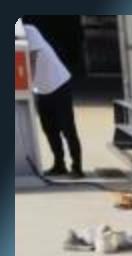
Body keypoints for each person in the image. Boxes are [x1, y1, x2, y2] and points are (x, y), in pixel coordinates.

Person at [16, 19, 83, 178]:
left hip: (59, 84)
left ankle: (77, 167)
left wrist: (27, 85)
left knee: (67, 128)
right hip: (42, 89)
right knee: (49, 129)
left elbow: (32, 59)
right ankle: (59, 165)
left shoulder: (29, 31)